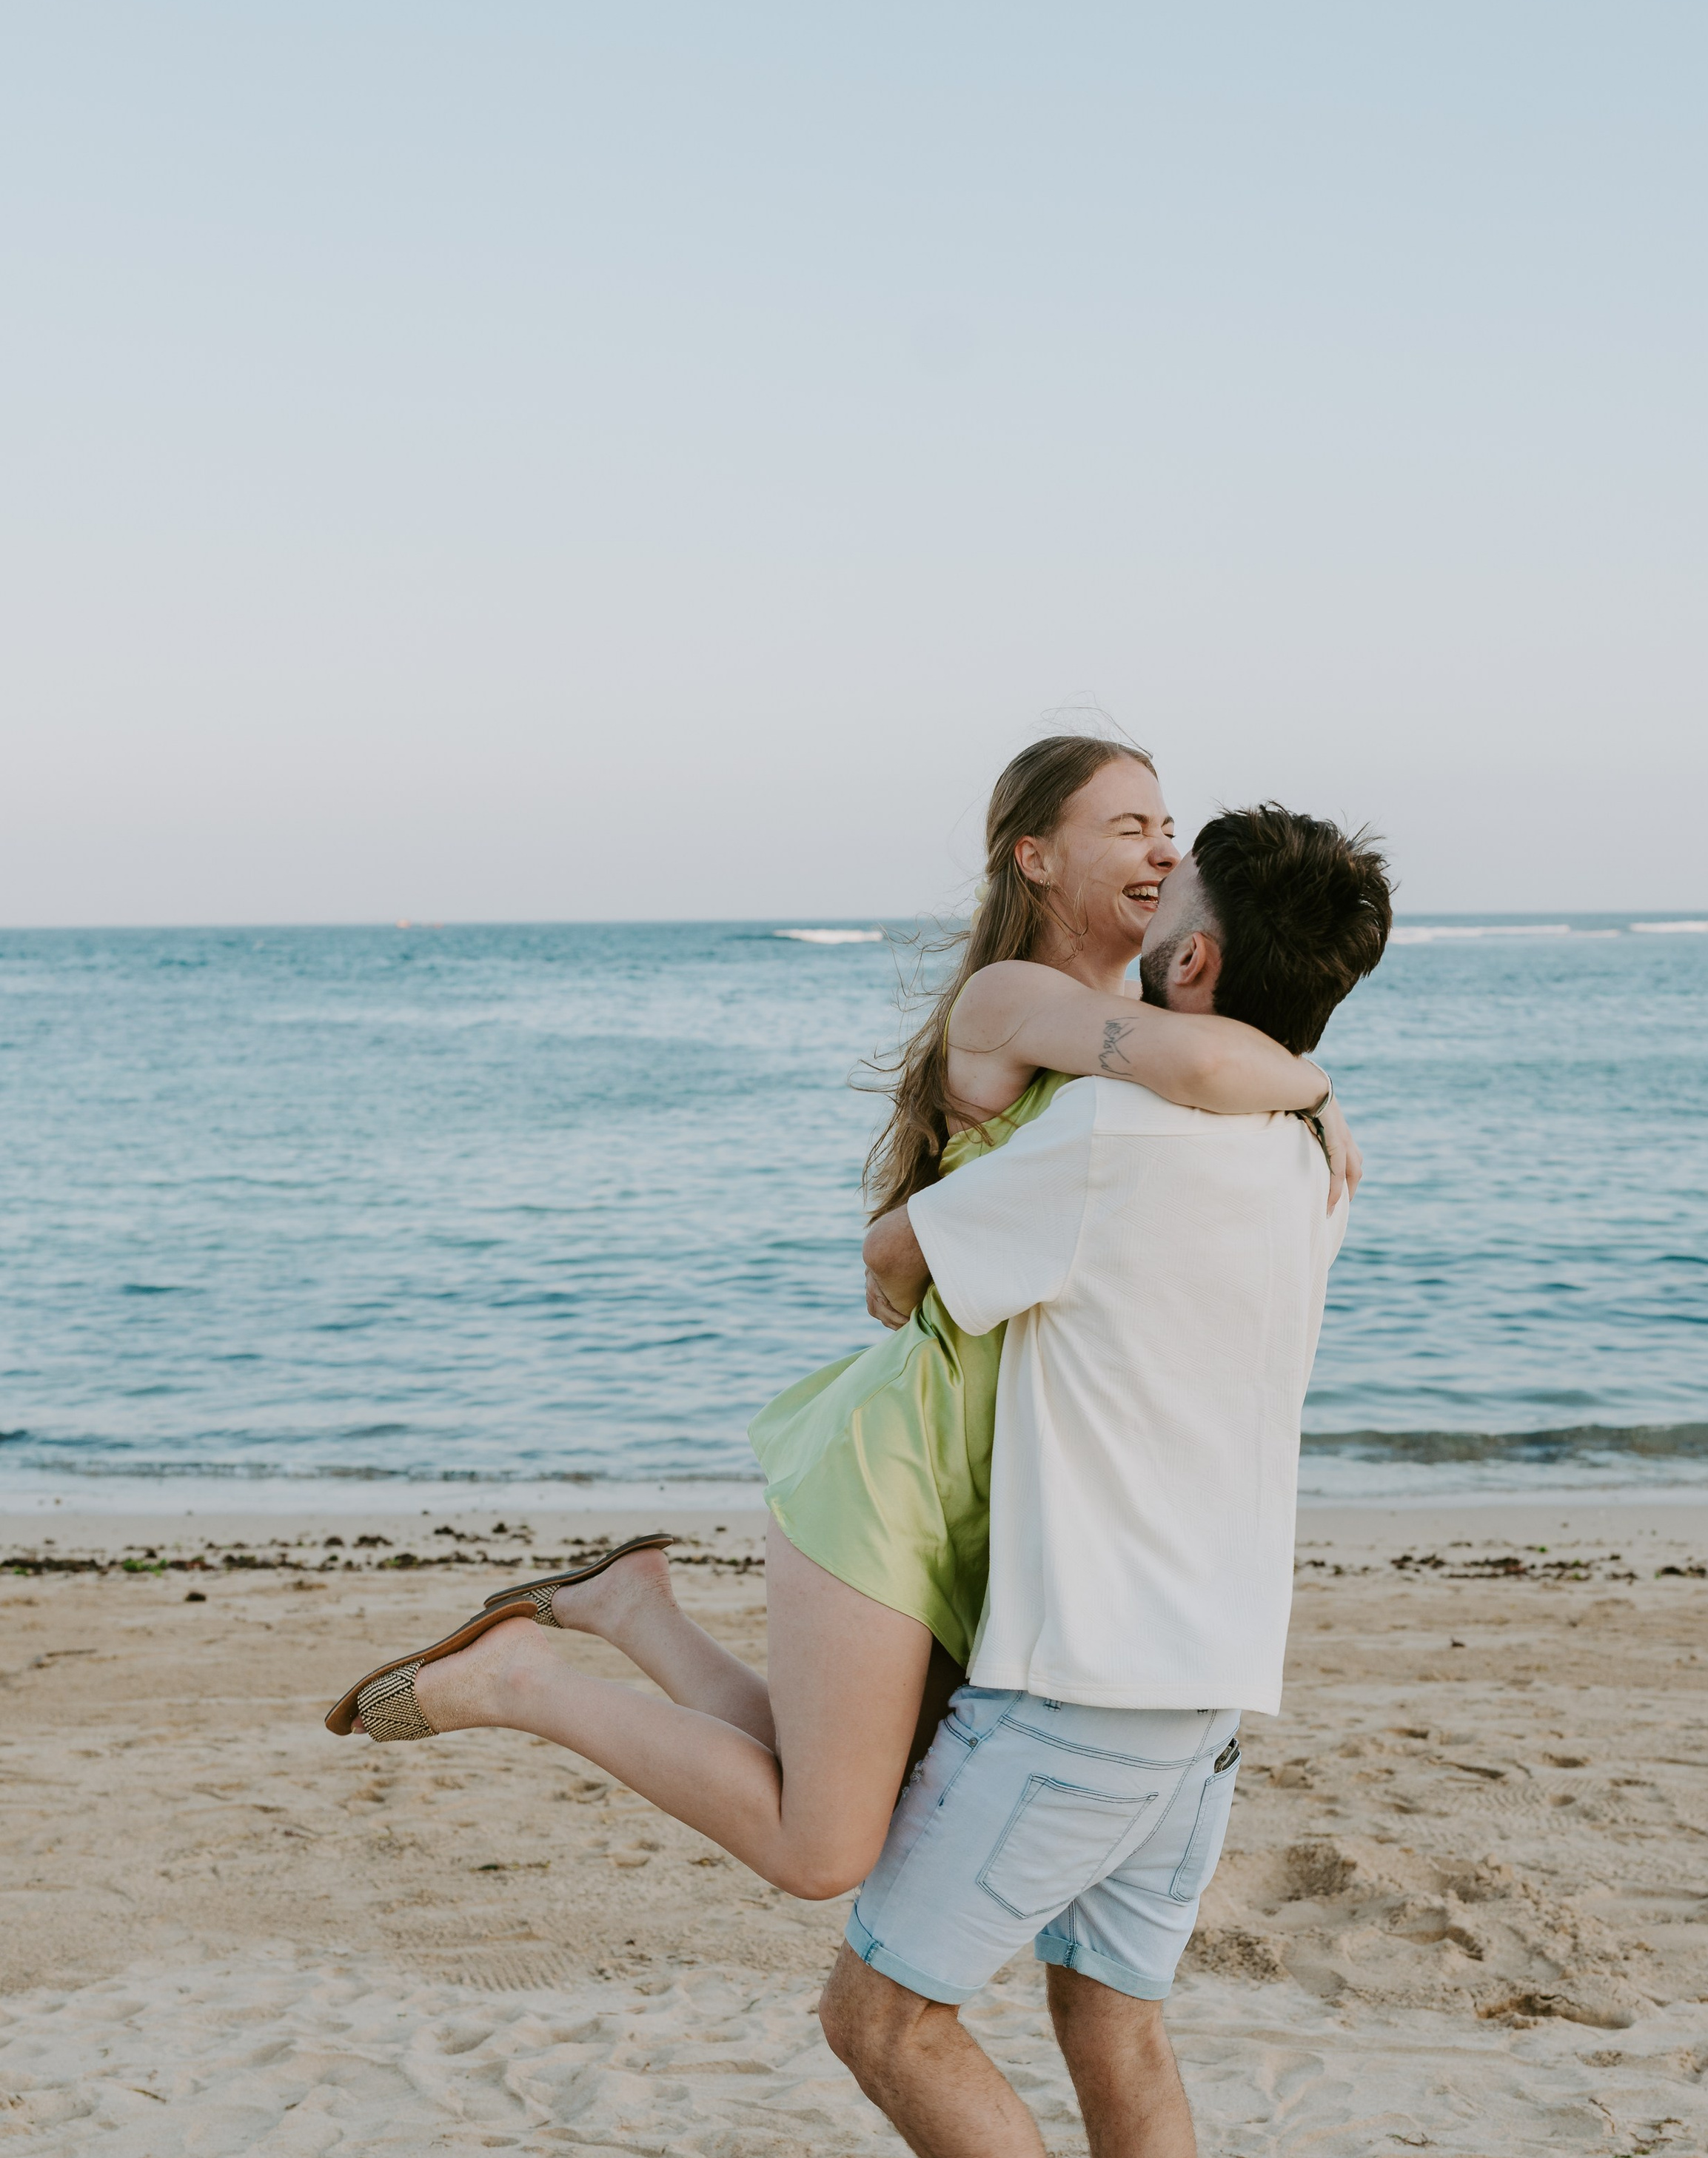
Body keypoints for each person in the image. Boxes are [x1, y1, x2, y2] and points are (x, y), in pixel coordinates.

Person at [324, 740, 1356, 1909]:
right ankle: (518, 1682)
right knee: (824, 1851)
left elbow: (1199, 1080)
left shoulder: (1139, 1031)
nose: (1164, 848)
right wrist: (1319, 1090)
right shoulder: (1013, 999)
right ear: (1034, 856)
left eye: (1168, 828)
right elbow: (1203, 1060)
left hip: (1007, 1478)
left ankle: (632, 1607)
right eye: (1126, 827)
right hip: (906, 1463)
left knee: (856, 1786)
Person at [818, 805, 1394, 2158]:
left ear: (1191, 964)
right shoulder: (1306, 1159)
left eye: (1177, 898)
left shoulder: (1119, 1139)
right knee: (1109, 2016)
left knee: (882, 2015)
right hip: (1208, 1681)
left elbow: (888, 1277)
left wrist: (961, 1137)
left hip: (1077, 1683)